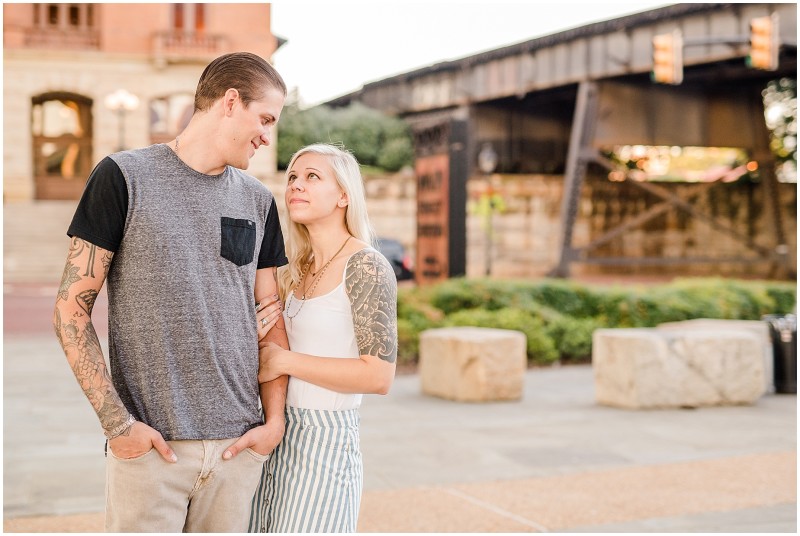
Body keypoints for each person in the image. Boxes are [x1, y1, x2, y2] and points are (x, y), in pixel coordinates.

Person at [53, 51, 289, 533]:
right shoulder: (122, 177)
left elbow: (271, 316)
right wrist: (118, 425)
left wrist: (274, 424)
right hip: (152, 452)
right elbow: (70, 311)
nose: (268, 135)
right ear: (229, 102)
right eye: (264, 118)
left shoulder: (259, 200)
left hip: (237, 449)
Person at [248, 143, 398, 533]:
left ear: (344, 196)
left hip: (325, 441)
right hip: (277, 431)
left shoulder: (366, 265)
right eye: (293, 177)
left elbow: (379, 377)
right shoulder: (295, 269)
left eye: (313, 177)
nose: (297, 185)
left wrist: (283, 360)